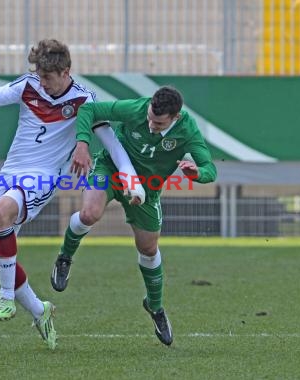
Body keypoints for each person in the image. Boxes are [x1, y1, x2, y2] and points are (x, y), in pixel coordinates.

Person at [0, 39, 137, 350]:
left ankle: (6, 298)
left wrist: (131, 179)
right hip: (10, 174)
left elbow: (113, 144)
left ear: (65, 72)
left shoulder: (85, 100)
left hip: (42, 177)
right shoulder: (28, 85)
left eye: (47, 76)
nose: (42, 82)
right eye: (39, 75)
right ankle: (39, 310)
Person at [50, 86, 217, 346]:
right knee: (90, 213)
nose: (150, 124)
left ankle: (155, 306)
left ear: (175, 117)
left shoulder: (188, 131)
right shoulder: (137, 108)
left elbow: (209, 169)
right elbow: (89, 109)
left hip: (147, 189)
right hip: (111, 169)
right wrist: (82, 143)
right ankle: (65, 256)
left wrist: (197, 173)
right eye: (150, 117)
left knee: (148, 248)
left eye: (158, 123)